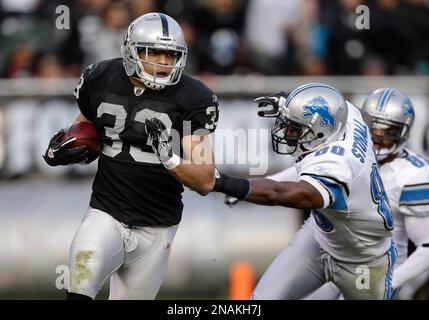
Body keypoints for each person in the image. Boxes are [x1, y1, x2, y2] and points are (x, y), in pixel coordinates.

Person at [43, 13, 219, 300]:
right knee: (80, 284)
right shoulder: (101, 78)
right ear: (131, 50)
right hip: (106, 214)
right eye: (155, 52)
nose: (163, 62)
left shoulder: (193, 96)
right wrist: (65, 146)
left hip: (157, 227)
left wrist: (170, 158)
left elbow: (205, 180)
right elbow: (84, 128)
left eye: (171, 55)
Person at [213, 83, 396, 299]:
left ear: (321, 131)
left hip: (364, 260)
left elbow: (285, 194)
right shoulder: (346, 118)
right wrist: (292, 102)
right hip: (318, 239)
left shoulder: (339, 164)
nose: (288, 133)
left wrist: (221, 182)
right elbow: (359, 114)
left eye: (295, 128)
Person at [304, 88, 429, 300]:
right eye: (374, 129)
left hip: (384, 273)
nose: (378, 138)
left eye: (388, 132)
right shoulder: (346, 158)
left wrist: (387, 284)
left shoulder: (413, 174)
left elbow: (427, 247)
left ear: (403, 133)